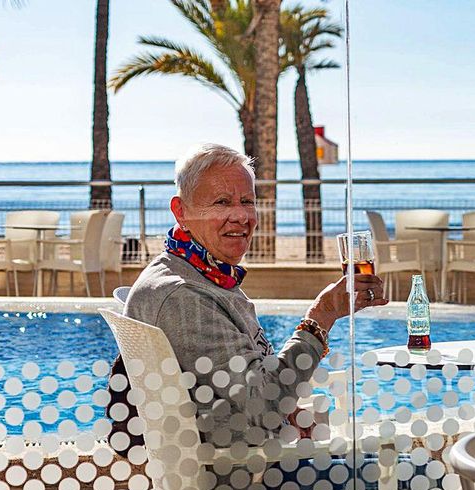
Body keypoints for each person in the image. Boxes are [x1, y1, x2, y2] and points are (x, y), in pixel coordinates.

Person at [121, 143, 387, 447]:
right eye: (222, 202)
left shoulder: (201, 274)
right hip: (251, 478)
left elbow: (249, 393)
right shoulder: (184, 297)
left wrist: (287, 413)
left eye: (247, 201)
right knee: (409, 473)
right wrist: (322, 315)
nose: (240, 216)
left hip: (257, 460)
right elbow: (264, 406)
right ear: (181, 211)